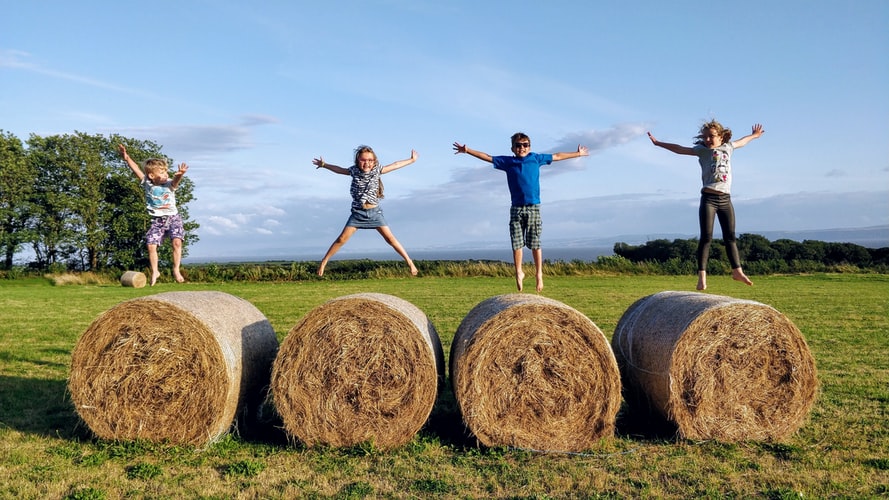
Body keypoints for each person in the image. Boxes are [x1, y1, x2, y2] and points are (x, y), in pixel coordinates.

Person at [453, 133, 589, 292]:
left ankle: (539, 274)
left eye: (525, 145)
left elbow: (557, 156)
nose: (522, 148)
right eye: (518, 145)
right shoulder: (508, 162)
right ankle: (519, 271)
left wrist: (577, 153)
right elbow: (487, 157)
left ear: (529, 147)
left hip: (533, 207)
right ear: (513, 148)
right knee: (516, 243)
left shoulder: (536, 158)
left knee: (535, 243)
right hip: (516, 208)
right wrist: (467, 150)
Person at [647, 120, 764, 290]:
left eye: (712, 136)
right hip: (708, 198)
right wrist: (658, 143)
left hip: (725, 199)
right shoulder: (701, 151)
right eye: (705, 136)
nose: (708, 139)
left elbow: (743, 141)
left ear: (721, 136)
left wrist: (754, 136)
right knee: (706, 237)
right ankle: (702, 276)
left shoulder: (728, 148)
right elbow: (680, 149)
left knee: (730, 237)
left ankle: (737, 271)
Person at [313, 145, 419, 277]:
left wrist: (412, 160)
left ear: (374, 161)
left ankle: (410, 262)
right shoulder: (354, 171)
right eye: (363, 160)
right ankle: (324, 262)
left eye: (370, 160)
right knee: (341, 239)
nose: (367, 163)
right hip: (358, 213)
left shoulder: (377, 170)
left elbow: (396, 164)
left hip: (375, 212)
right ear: (358, 160)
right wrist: (324, 164)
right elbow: (339, 170)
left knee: (390, 239)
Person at [118, 144, 189, 286]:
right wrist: (126, 158)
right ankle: (155, 271)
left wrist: (179, 175)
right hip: (157, 220)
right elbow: (136, 169)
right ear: (152, 175)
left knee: (176, 242)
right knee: (151, 245)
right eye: (162, 173)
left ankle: (176, 269)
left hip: (173, 217)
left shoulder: (169, 184)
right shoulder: (147, 183)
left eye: (166, 172)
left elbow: (175, 181)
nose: (166, 175)